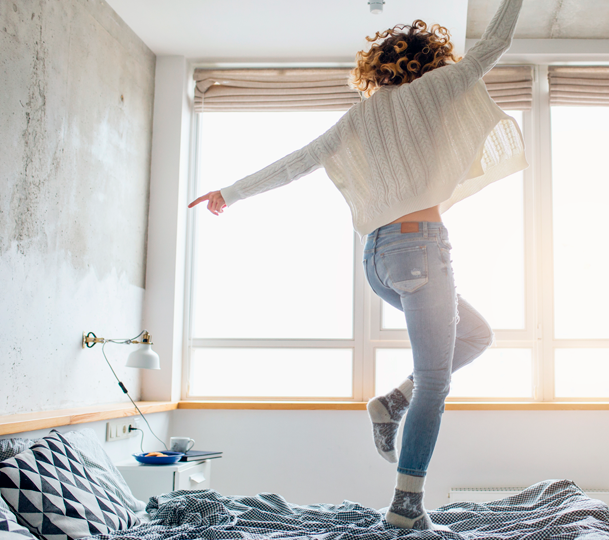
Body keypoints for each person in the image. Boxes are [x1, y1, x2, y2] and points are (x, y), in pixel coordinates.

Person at [188, 0, 524, 529]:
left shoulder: (358, 118)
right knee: (437, 382)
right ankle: (406, 508)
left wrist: (228, 193)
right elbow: (495, 44)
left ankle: (393, 402)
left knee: (477, 335)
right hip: (421, 248)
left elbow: (295, 162)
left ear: (380, 67)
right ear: (428, 60)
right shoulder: (435, 91)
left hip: (376, 261)